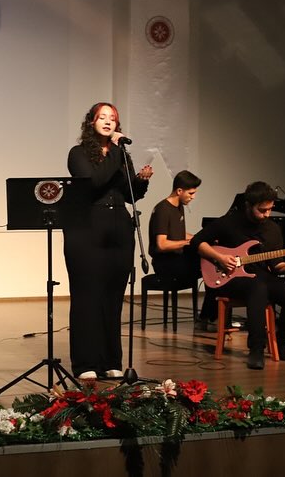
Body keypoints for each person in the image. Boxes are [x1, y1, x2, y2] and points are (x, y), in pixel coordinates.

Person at [63, 102, 153, 380]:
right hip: (87, 231)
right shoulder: (79, 153)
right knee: (88, 297)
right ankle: (85, 363)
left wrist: (141, 181)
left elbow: (130, 194)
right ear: (91, 122)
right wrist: (115, 151)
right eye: (102, 117)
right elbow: (94, 182)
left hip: (119, 230)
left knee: (113, 299)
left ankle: (110, 360)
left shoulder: (121, 155)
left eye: (112, 118)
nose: (107, 122)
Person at [191, 181, 285, 370]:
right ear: (248, 205)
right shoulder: (228, 222)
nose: (267, 214)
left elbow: (277, 266)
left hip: (261, 276)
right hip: (231, 278)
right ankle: (256, 349)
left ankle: (282, 344)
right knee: (257, 288)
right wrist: (220, 258)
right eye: (262, 210)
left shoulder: (272, 229)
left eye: (270, 209)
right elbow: (197, 242)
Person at [148, 170, 201, 281]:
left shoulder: (179, 206)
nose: (193, 197)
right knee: (205, 264)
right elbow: (162, 244)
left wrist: (200, 239)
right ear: (179, 191)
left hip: (177, 259)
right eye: (191, 193)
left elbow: (178, 234)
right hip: (165, 263)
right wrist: (188, 242)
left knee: (207, 259)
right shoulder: (163, 209)